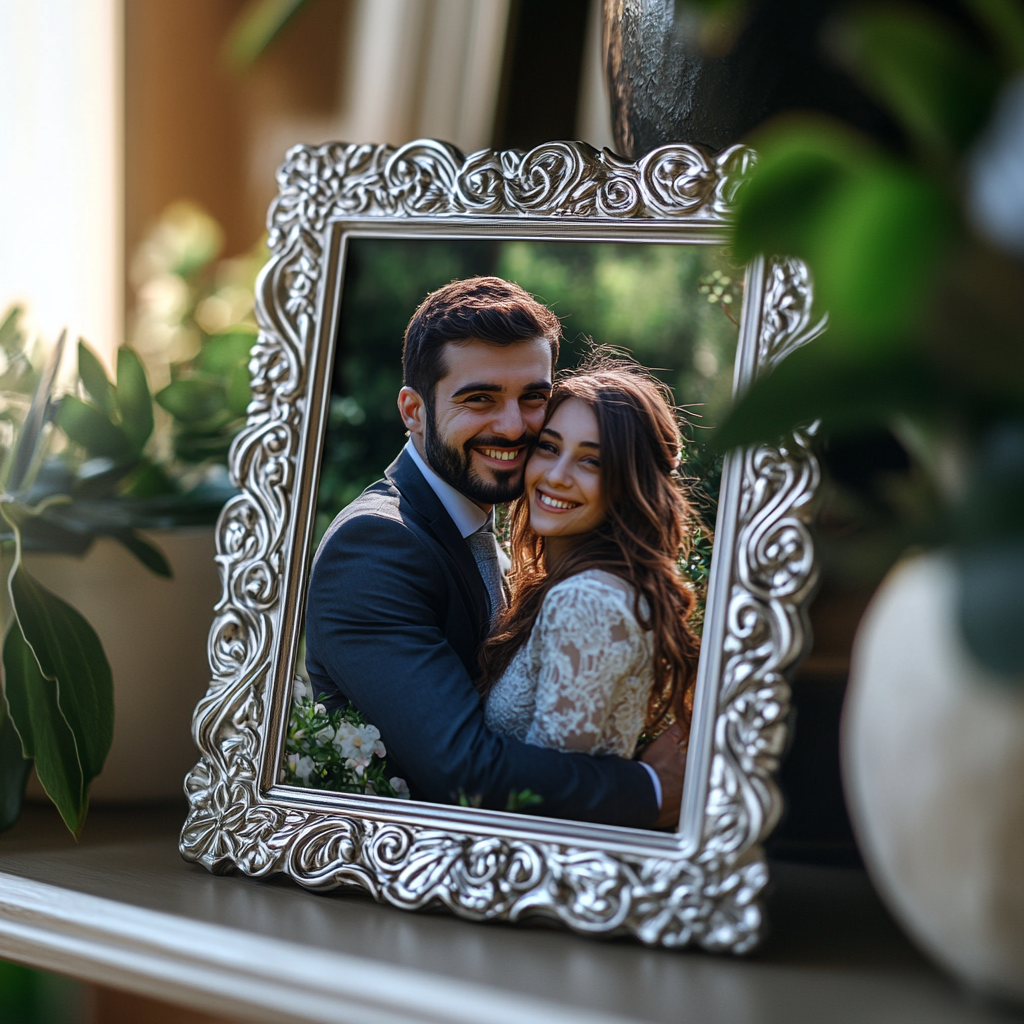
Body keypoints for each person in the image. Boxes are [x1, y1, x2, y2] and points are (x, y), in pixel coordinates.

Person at [304, 277, 686, 828]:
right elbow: (460, 769)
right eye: (479, 398)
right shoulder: (374, 547)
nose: (514, 427)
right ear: (414, 410)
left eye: (533, 398)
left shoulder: (495, 537)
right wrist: (648, 789)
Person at [480, 357, 700, 763]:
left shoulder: (587, 601)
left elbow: (551, 792)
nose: (557, 475)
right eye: (549, 447)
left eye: (591, 460)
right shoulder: (573, 585)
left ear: (630, 485)